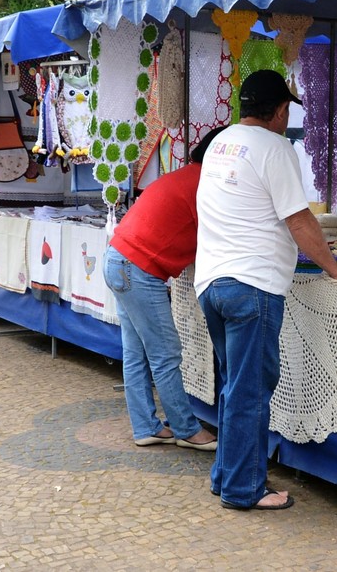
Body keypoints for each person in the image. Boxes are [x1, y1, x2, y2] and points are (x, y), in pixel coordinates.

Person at [195, 69, 337, 511]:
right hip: (251, 285)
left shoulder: (220, 142)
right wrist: (334, 267)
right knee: (249, 392)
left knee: (235, 387)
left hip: (212, 282)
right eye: (285, 109)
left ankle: (226, 477)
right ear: (278, 111)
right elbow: (298, 219)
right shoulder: (274, 147)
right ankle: (244, 489)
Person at [102, 127, 226, 450]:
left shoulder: (185, 176)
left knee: (136, 352)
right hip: (137, 268)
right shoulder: (207, 186)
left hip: (117, 258)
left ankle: (146, 426)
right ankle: (187, 430)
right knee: (165, 353)